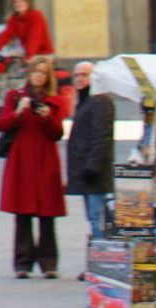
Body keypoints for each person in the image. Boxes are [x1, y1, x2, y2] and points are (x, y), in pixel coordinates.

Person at [0, 53, 66, 278]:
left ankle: (49, 263)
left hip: (45, 160)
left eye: (43, 74)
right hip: (22, 159)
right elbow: (2, 124)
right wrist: (19, 111)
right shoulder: (15, 96)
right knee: (22, 214)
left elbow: (57, 134)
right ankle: (23, 264)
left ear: (48, 78)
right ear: (29, 74)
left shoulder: (55, 100)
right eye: (36, 72)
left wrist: (46, 117)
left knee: (47, 214)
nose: (39, 77)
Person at [65, 60, 114, 243]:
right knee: (94, 219)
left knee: (98, 219)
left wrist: (92, 167)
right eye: (77, 75)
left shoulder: (99, 101)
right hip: (87, 172)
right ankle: (97, 261)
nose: (79, 79)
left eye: (84, 75)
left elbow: (102, 137)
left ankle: (101, 261)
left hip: (95, 175)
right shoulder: (86, 101)